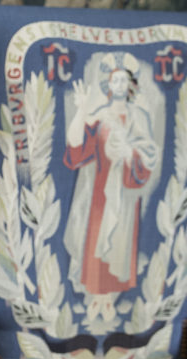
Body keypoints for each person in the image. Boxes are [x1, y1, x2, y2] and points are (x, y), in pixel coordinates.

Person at [64, 51, 159, 324]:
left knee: (119, 241)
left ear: (130, 85)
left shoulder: (139, 116)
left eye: (123, 80)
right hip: (99, 190)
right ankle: (96, 298)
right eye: (113, 80)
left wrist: (129, 151)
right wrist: (81, 109)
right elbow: (75, 147)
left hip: (126, 194)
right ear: (107, 85)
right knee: (95, 240)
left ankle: (111, 300)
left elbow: (148, 153)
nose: (118, 85)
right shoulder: (100, 115)